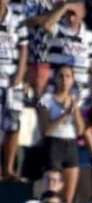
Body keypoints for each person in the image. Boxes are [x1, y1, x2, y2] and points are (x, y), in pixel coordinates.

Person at [37, 64, 87, 203]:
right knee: (52, 195)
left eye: (68, 76)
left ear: (72, 79)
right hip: (53, 145)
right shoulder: (47, 99)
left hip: (70, 145)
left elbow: (80, 130)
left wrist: (74, 109)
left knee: (68, 198)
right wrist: (64, 114)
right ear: (55, 79)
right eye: (61, 76)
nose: (64, 80)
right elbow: (46, 130)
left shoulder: (74, 100)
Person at [0, 0, 28, 181]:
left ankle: (9, 169)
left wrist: (20, 73)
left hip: (12, 80)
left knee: (14, 126)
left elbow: (24, 47)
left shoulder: (18, 17)